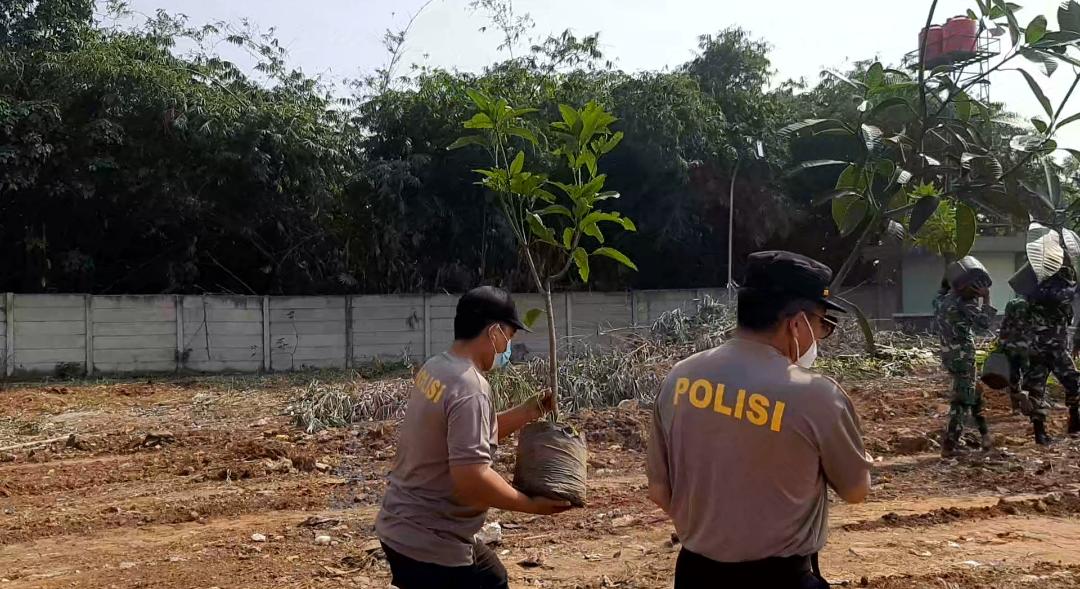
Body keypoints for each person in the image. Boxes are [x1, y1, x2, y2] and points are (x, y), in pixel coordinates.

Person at [646, 251, 872, 589]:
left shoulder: (680, 377)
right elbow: (855, 491)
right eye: (822, 324)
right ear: (797, 323)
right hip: (781, 579)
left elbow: (660, 490)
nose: (819, 337)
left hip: (695, 574)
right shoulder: (816, 395)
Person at [375, 286, 572, 589]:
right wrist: (531, 505)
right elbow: (471, 476)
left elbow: (466, 435)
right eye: (509, 336)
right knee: (490, 582)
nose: (509, 346)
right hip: (431, 541)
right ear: (494, 332)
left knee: (492, 577)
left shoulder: (437, 367)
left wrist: (528, 412)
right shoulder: (471, 387)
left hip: (399, 524)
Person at [999, 268, 1080, 445]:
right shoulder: (1054, 293)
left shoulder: (1034, 293)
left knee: (1035, 388)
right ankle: (1073, 420)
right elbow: (1066, 295)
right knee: (1073, 382)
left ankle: (1040, 433)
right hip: (1055, 349)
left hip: (1035, 348)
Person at [932, 277, 996, 457]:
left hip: (948, 354)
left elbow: (939, 294)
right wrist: (986, 299)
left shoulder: (941, 301)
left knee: (973, 394)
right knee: (961, 400)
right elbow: (982, 325)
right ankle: (950, 445)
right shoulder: (965, 304)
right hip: (963, 356)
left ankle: (985, 437)